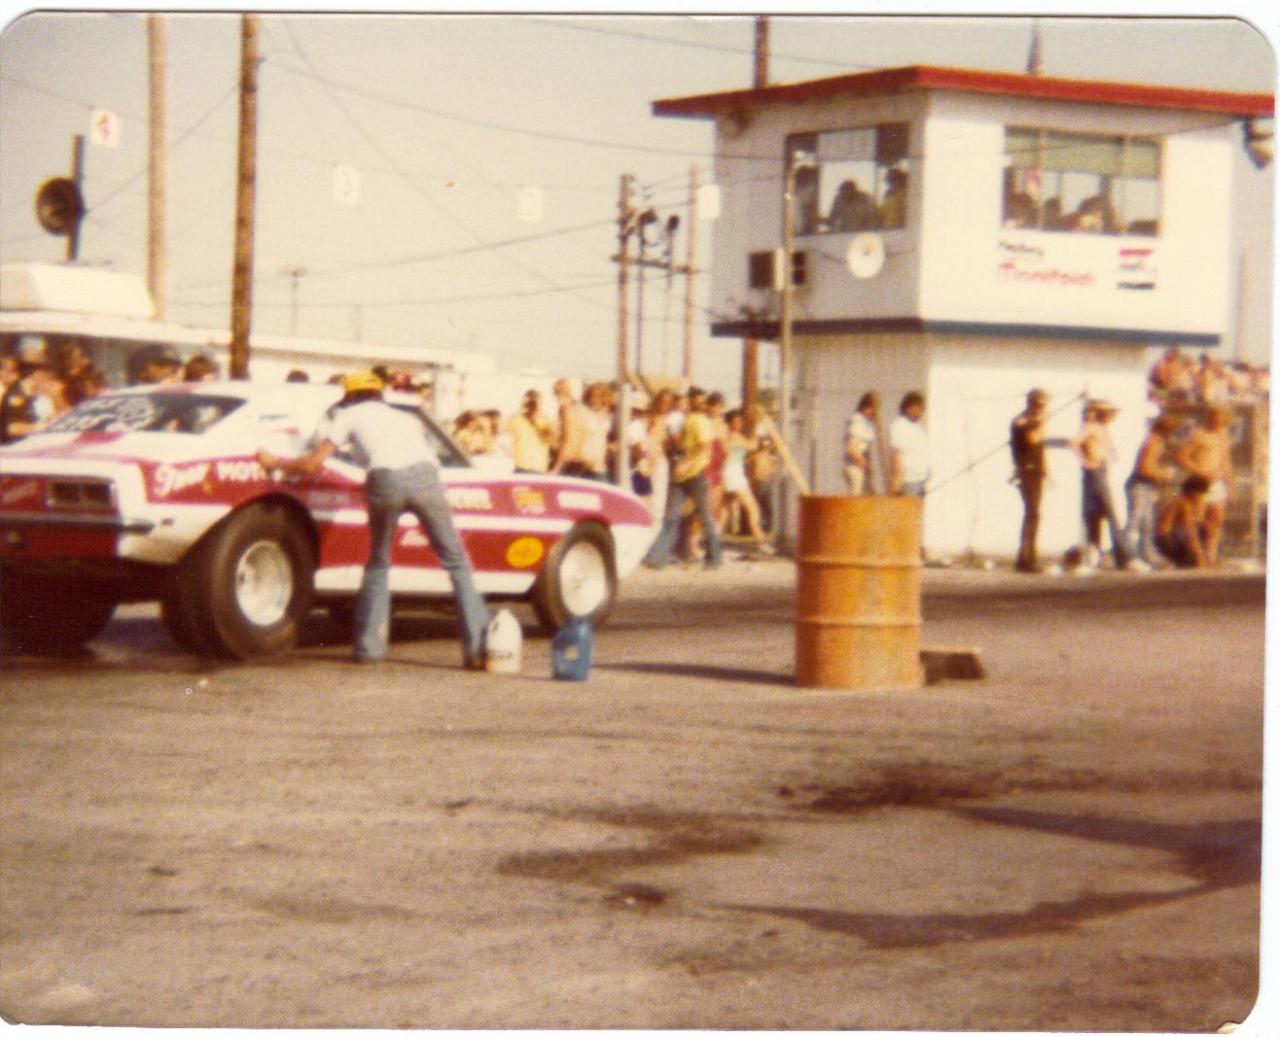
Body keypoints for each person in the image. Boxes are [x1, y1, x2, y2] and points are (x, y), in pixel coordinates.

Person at [256, 370, 490, 667]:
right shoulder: (403, 417)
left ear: (348, 396)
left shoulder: (347, 416)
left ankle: (369, 648)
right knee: (456, 561)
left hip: (385, 479)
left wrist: (274, 461)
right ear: (379, 394)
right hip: (426, 478)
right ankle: (478, 649)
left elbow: (313, 463)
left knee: (379, 561)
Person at [643, 387, 722, 571]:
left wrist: (687, 464)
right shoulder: (687, 420)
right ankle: (657, 557)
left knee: (704, 516)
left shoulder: (699, 421)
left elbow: (705, 447)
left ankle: (714, 557)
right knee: (671, 515)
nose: (684, 404)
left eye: (697, 401)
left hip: (695, 474)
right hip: (682, 475)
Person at [1070, 400, 1138, 571]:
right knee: (1110, 514)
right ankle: (1125, 556)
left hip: (1100, 472)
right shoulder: (1091, 427)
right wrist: (1086, 460)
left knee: (1095, 514)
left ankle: (1095, 555)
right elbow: (1074, 443)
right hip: (1095, 473)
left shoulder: (1101, 429)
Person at [1174, 406, 1233, 566]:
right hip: (1200, 483)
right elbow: (1181, 457)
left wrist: (1230, 485)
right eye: (1215, 417)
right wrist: (1200, 471)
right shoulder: (1198, 434)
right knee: (1197, 519)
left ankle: (1210, 556)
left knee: (1216, 519)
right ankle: (1195, 556)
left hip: (1217, 482)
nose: (1218, 420)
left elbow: (1226, 462)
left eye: (1222, 417)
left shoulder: (1224, 435)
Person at [1124, 413, 1180, 567]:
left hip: (1146, 486)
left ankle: (1148, 556)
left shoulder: (1157, 442)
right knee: (1135, 521)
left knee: (1147, 523)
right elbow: (1144, 469)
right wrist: (1163, 473)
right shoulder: (1153, 443)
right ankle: (1129, 556)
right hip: (1139, 484)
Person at [1010, 388, 1049, 573]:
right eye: (1040, 405)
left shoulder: (1033, 421)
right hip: (1027, 471)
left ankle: (1025, 557)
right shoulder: (1022, 421)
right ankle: (1027, 558)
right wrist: (1042, 423)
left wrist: (1047, 471)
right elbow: (1033, 439)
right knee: (1032, 514)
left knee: (1033, 514)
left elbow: (1040, 449)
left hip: (1037, 472)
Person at [721, 408, 770, 551]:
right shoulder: (733, 437)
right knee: (752, 507)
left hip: (731, 472)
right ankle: (761, 542)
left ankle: (714, 542)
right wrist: (756, 431)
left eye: (740, 421)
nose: (739, 424)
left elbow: (749, 448)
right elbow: (752, 445)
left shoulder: (730, 436)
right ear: (730, 423)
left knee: (723, 510)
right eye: (736, 421)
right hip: (733, 473)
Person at [0, 339, 60, 444]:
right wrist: (38, 428)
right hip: (15, 447)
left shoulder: (38, 394)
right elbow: (12, 428)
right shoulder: (15, 395)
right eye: (44, 376)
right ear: (35, 375)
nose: (46, 380)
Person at [1155, 475, 1212, 569]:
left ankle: (1199, 560)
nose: (1202, 498)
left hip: (1169, 538)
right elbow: (1189, 532)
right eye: (1202, 493)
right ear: (1193, 492)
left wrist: (1200, 508)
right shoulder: (1182, 503)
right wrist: (1200, 559)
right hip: (1165, 539)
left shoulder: (1182, 501)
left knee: (1206, 527)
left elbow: (1199, 521)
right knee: (1191, 535)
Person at [889, 391, 929, 497]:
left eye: (923, 408)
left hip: (923, 479)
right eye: (919, 407)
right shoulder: (899, 425)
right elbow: (897, 454)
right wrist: (897, 482)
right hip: (909, 481)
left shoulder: (919, 426)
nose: (922, 410)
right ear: (909, 407)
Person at [506, 389, 555, 474]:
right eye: (529, 402)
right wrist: (522, 408)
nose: (531, 405)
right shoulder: (516, 419)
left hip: (538, 469)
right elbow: (504, 433)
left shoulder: (546, 422)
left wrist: (535, 416)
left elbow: (551, 441)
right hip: (521, 467)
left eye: (534, 402)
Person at [844, 392, 880, 495]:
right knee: (857, 497)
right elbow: (850, 450)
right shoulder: (857, 423)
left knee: (869, 495)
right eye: (872, 409)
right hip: (855, 466)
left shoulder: (867, 423)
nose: (874, 412)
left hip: (862, 465)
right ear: (865, 407)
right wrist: (864, 464)